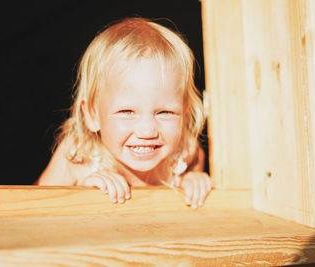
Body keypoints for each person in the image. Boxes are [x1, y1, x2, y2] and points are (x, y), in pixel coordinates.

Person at [37, 17, 212, 208]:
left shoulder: (186, 151)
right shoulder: (77, 154)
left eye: (164, 112)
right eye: (127, 112)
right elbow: (30, 207)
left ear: (184, 112)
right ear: (92, 114)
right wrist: (81, 195)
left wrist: (193, 180)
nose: (147, 131)